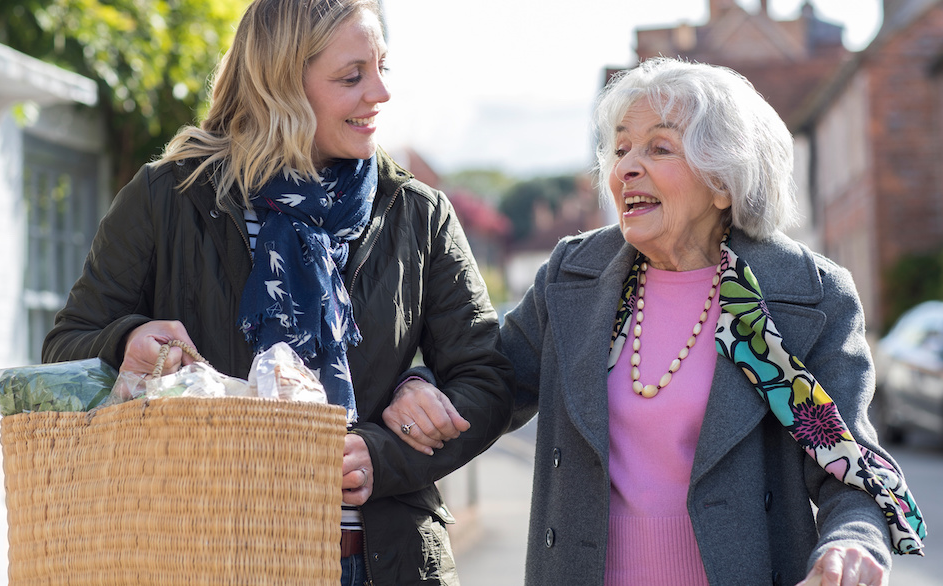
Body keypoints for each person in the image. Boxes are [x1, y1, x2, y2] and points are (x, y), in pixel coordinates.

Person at [42, 0, 513, 586]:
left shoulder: (417, 214)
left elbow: (488, 378)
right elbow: (64, 350)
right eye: (351, 77)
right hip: (205, 558)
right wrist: (124, 341)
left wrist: (384, 455)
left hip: (384, 564)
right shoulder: (168, 199)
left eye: (381, 69)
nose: (380, 93)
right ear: (282, 88)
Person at [389, 57, 926, 585]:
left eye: (659, 148)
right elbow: (490, 385)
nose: (625, 167)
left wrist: (851, 542)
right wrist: (420, 392)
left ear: (723, 181)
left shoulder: (806, 295)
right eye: (620, 148)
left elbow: (847, 464)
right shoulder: (573, 276)